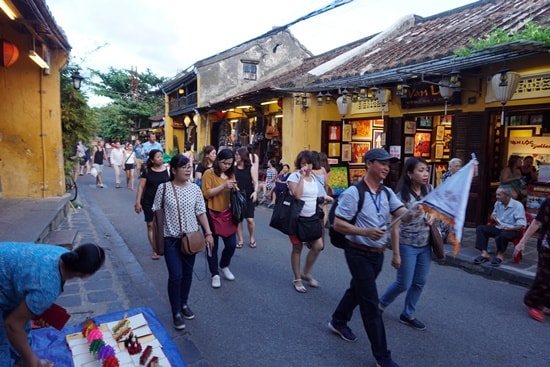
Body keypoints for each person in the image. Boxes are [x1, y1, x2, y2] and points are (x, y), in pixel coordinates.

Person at [328, 148, 407, 367]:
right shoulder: (354, 192)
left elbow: (401, 212)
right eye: (382, 163)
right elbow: (338, 224)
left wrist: (415, 211)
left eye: (388, 164)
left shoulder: (387, 192)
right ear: (369, 163)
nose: (386, 168)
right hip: (357, 252)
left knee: (358, 290)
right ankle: (383, 357)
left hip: (378, 254)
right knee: (371, 305)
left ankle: (338, 320)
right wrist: (366, 232)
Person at [0, 242, 105, 367]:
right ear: (85, 275)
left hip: (5, 273)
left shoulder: (61, 252)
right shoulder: (47, 288)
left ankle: (21, 360)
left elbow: (32, 279)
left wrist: (35, 310)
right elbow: (12, 325)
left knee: (23, 327)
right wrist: (33, 361)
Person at [152, 154, 213, 330]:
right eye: (184, 167)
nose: (188, 170)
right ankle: (176, 311)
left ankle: (184, 303)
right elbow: (156, 213)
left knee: (187, 274)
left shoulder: (194, 189)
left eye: (190, 166)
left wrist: (208, 233)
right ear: (173, 170)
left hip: (191, 238)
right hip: (170, 239)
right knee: (176, 275)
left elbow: (201, 212)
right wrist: (156, 239)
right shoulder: (163, 188)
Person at [379, 157, 434, 331]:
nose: (425, 173)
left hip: (425, 244)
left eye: (426, 169)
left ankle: (408, 313)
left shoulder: (430, 190)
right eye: (420, 170)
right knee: (403, 283)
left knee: (420, 282)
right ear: (410, 174)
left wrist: (432, 217)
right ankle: (380, 305)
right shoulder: (400, 197)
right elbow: (394, 228)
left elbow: (434, 211)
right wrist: (396, 253)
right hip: (407, 244)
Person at [287, 150, 333, 293]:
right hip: (296, 219)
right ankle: (297, 278)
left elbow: (319, 195)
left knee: (318, 245)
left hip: (312, 218)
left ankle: (306, 272)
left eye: (309, 163)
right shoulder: (294, 177)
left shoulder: (314, 178)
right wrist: (302, 177)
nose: (306, 166)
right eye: (303, 163)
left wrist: (326, 198)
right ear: (299, 164)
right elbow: (298, 196)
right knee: (297, 248)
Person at [201, 148, 239, 288]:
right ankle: (214, 274)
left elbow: (236, 190)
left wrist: (234, 188)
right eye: (225, 163)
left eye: (230, 164)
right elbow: (206, 193)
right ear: (218, 160)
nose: (227, 166)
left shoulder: (230, 174)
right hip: (211, 213)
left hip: (227, 213)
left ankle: (224, 265)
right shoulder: (208, 173)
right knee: (212, 245)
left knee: (231, 244)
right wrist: (223, 186)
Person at [513, 198, 550, 322]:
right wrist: (522, 242)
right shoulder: (548, 203)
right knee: (544, 277)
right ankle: (533, 302)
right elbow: (537, 223)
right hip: (548, 246)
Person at [473, 186, 526, 267]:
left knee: (503, 235)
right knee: (481, 229)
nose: (497, 197)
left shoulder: (518, 206)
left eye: (499, 195)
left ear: (507, 196)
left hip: (513, 230)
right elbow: (493, 215)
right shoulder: (498, 203)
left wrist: (510, 228)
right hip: (499, 227)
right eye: (496, 194)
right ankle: (484, 254)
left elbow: (521, 225)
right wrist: (493, 217)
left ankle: (500, 254)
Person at [135, 149, 170, 260]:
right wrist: (137, 202)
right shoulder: (147, 171)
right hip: (149, 201)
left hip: (164, 202)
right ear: (152, 160)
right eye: (158, 157)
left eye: (161, 156)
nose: (160, 159)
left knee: (163, 225)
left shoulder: (167, 170)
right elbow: (141, 187)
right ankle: (155, 249)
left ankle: (164, 245)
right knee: (150, 225)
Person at [234, 147, 258, 249]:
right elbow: (232, 180)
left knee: (250, 219)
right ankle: (240, 240)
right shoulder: (233, 169)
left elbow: (256, 182)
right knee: (238, 219)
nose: (236, 156)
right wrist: (235, 187)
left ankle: (252, 237)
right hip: (237, 196)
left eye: (238, 154)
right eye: (235, 154)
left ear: (243, 156)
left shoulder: (250, 168)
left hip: (249, 195)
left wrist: (255, 192)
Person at [439, 157, 463, 241]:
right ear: (451, 166)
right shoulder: (446, 175)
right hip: (447, 200)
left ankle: (456, 238)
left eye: (459, 166)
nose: (458, 168)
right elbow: (442, 188)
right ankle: (443, 236)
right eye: (456, 166)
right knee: (445, 220)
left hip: (458, 201)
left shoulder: (462, 176)